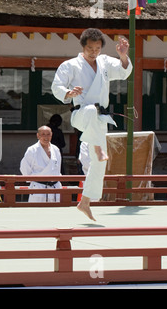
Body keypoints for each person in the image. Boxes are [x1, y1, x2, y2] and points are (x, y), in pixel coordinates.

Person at [51, 28, 133, 221]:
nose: (93, 52)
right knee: (90, 111)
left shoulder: (105, 62)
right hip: (81, 113)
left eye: (97, 48)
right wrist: (69, 93)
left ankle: (85, 201)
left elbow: (123, 73)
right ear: (83, 46)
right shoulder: (70, 65)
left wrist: (123, 56)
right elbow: (56, 86)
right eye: (90, 48)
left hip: (100, 118)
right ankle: (97, 148)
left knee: (99, 164)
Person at [20, 126, 62, 202]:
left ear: (51, 135)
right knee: (37, 212)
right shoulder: (32, 150)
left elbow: (58, 168)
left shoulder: (55, 149)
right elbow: (24, 168)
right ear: (38, 136)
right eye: (43, 134)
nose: (46, 137)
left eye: (48, 134)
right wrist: (33, 179)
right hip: (38, 188)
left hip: (55, 188)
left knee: (55, 212)